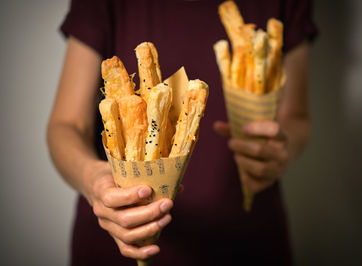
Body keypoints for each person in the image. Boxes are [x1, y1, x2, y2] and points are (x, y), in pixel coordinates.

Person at [47, 0, 317, 265]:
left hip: (246, 242)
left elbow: (296, 117)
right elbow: (66, 124)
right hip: (114, 238)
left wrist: (281, 149)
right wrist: (93, 178)